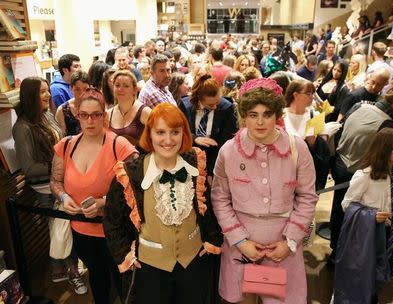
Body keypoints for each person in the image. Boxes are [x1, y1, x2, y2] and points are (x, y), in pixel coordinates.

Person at [103, 103, 223, 304]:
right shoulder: (131, 172)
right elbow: (112, 221)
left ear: (183, 134)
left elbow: (207, 207)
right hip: (150, 268)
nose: (168, 140)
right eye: (160, 132)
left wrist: (212, 239)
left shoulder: (195, 163)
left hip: (193, 263)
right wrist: (125, 255)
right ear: (149, 134)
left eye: (175, 132)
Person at [211, 80, 318, 304]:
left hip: (283, 249)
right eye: (252, 114)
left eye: (267, 114)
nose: (260, 122)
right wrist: (240, 241)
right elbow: (220, 198)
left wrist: (289, 242)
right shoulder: (228, 152)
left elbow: (307, 197)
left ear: (276, 115)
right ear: (243, 116)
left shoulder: (297, 148)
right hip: (240, 249)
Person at [50, 88, 138, 303]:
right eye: (84, 115)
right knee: (97, 277)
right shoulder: (67, 145)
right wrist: (63, 198)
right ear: (77, 115)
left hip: (115, 232)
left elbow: (137, 185)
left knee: (123, 280)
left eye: (96, 114)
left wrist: (104, 202)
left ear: (104, 116)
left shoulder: (120, 145)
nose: (90, 121)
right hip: (81, 229)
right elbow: (55, 181)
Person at [13, 76, 87, 294]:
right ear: (30, 96)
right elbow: (29, 168)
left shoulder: (46, 115)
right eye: (42, 92)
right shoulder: (22, 127)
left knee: (63, 230)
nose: (48, 95)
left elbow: (61, 142)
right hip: (46, 187)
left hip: (61, 180)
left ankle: (59, 270)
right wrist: (57, 166)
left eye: (47, 91)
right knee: (61, 230)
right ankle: (70, 271)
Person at [335, 128, 393, 303]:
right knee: (362, 277)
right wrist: (370, 216)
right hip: (366, 237)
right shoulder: (365, 176)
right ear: (385, 149)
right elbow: (346, 204)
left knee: (379, 275)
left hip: (387, 236)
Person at [179, 74, 238, 184]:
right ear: (199, 99)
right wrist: (194, 138)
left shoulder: (226, 108)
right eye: (210, 105)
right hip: (188, 157)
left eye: (217, 102)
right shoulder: (185, 106)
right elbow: (178, 131)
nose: (215, 107)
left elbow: (226, 142)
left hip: (215, 157)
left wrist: (212, 170)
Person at [107, 70, 151, 146]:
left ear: (134, 90)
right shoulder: (108, 113)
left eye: (126, 86)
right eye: (117, 85)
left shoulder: (145, 111)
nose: (120, 89)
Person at [55, 71, 89, 136]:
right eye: (77, 89)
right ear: (71, 88)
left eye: (86, 89)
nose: (82, 93)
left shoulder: (95, 106)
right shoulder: (62, 110)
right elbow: (61, 138)